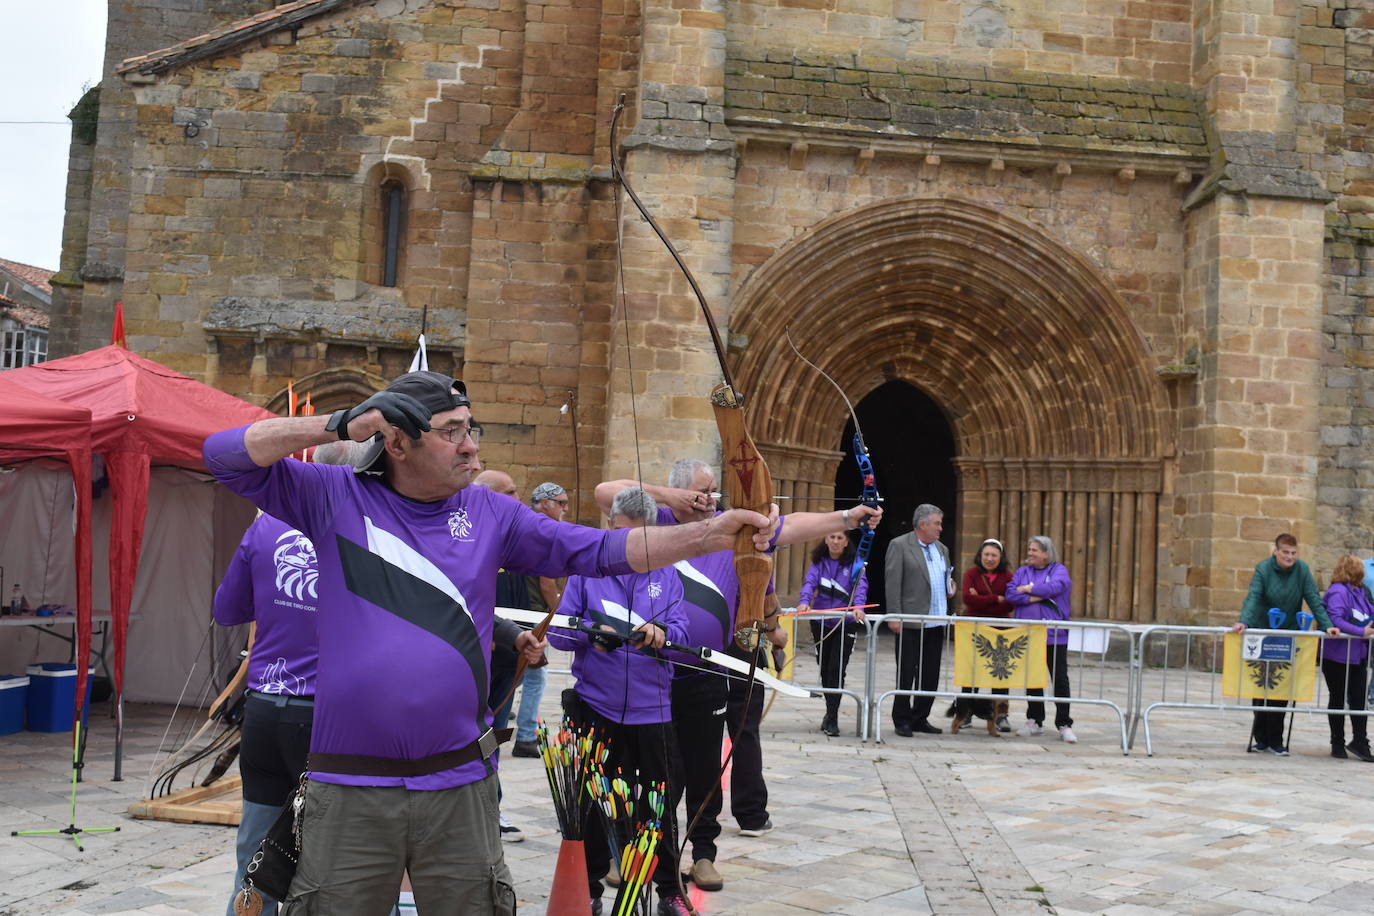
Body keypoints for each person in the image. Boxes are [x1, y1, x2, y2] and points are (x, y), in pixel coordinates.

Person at [202, 370, 777, 916]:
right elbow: (222, 454)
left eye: (470, 428)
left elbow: (595, 551)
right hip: (349, 785)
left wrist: (708, 534)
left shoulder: (490, 512)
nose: (471, 446)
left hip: (458, 786)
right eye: (451, 432)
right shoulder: (335, 496)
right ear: (396, 443)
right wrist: (338, 424)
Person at [595, 460, 880, 901]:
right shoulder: (661, 521)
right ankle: (638, 849)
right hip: (657, 667)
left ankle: (703, 851)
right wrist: (671, 498)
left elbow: (789, 525)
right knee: (655, 765)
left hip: (711, 665)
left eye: (714, 489)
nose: (711, 497)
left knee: (706, 763)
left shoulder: (733, 528)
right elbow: (606, 491)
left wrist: (847, 517)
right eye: (703, 490)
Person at [215, 440, 358, 916]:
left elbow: (227, 608)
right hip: (326, 717)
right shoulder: (364, 529)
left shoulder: (266, 524)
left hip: (263, 710)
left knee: (255, 854)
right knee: (329, 860)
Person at [548, 488, 687, 916]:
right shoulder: (588, 573)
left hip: (654, 711)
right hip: (596, 707)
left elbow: (683, 633)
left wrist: (664, 637)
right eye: (624, 536)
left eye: (641, 539)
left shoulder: (667, 575)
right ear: (611, 528)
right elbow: (559, 632)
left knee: (658, 804)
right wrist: (591, 633)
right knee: (591, 803)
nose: (632, 548)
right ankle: (587, 886)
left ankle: (668, 891)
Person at [1232, 533, 1338, 756]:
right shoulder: (1263, 569)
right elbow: (1254, 597)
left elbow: (1313, 598)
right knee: (1261, 684)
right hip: (1263, 631)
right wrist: (1244, 620)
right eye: (1286, 553)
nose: (1290, 557)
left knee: (1281, 686)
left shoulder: (1302, 570)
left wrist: (1327, 624)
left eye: (1293, 553)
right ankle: (1260, 737)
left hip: (1288, 633)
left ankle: (1276, 739)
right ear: (1276, 552)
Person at [471, 468, 529, 844]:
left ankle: (491, 803)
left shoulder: (511, 534)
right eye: (510, 492)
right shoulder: (469, 538)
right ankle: (476, 808)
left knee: (493, 736)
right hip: (480, 659)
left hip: (511, 655)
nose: (517, 498)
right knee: (475, 733)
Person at [510, 482, 569, 758]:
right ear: (545, 503)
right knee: (536, 674)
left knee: (517, 670)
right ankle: (525, 737)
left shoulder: (523, 525)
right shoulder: (545, 531)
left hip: (514, 609)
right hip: (532, 614)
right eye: (561, 502)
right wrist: (559, 612)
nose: (565, 508)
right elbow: (547, 582)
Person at [885, 504, 954, 737]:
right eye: (937, 523)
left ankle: (920, 716)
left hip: (936, 620)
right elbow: (893, 582)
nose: (940, 528)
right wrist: (894, 615)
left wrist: (950, 587)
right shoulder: (900, 545)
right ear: (923, 524)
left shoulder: (942, 549)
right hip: (911, 620)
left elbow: (944, 578)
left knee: (930, 673)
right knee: (907, 672)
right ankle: (902, 719)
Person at [1005, 535, 1076, 743]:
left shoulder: (1058, 570)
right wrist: (1037, 595)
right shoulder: (1022, 571)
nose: (1030, 553)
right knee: (1033, 679)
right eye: (1029, 549)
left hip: (1055, 635)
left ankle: (1064, 723)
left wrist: (1027, 589)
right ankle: (1035, 720)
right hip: (1029, 634)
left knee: (1060, 679)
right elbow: (1010, 594)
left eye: (1034, 550)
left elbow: (1057, 587)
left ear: (1046, 553)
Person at [796, 530, 868, 737]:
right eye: (832, 537)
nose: (835, 542)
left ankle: (833, 717)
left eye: (840, 538)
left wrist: (859, 607)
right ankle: (829, 714)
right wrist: (804, 601)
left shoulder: (855, 564)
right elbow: (809, 582)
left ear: (846, 542)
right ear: (826, 540)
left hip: (844, 624)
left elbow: (860, 587)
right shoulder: (819, 562)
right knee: (825, 669)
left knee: (837, 669)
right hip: (821, 623)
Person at [953, 538, 1014, 734]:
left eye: (993, 555)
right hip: (976, 631)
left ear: (1000, 557)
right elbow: (968, 599)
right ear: (980, 555)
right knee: (972, 673)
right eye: (986, 554)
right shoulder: (972, 574)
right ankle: (965, 713)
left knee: (1000, 674)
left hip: (1000, 631)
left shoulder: (1008, 576)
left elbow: (1010, 603)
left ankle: (1001, 715)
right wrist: (996, 598)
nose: (989, 558)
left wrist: (981, 599)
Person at [1319, 555, 1374, 760]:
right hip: (1337, 656)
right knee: (1338, 699)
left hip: (1357, 655)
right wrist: (1362, 632)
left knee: (1359, 701)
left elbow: (1370, 611)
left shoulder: (1359, 591)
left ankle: (1360, 741)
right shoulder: (1337, 591)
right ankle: (1337, 742)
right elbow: (1336, 620)